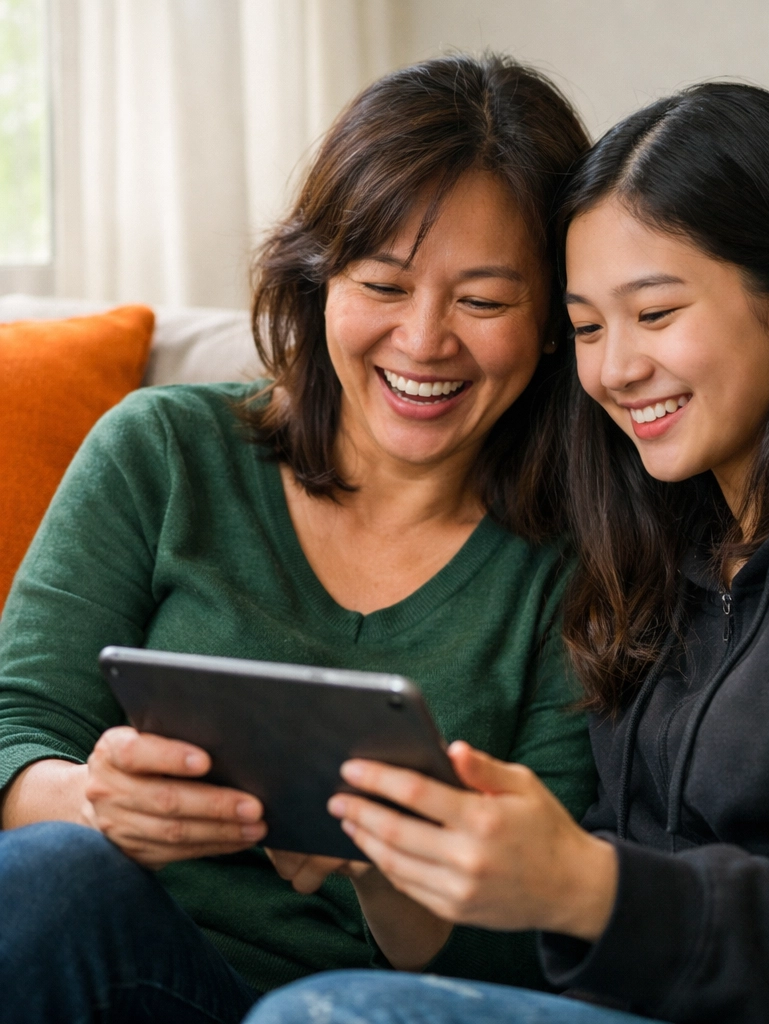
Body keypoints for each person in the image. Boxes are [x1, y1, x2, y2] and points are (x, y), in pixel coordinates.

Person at [243, 83, 769, 1024]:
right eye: (586, 327)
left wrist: (584, 884)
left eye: (655, 314)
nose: (614, 370)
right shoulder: (662, 535)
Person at [0, 54, 597, 1023]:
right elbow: (15, 723)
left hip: (361, 1004)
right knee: (58, 872)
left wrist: (384, 863)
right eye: (383, 284)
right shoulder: (163, 453)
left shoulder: (582, 563)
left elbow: (531, 948)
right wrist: (93, 800)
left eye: (483, 301)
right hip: (111, 956)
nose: (423, 341)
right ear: (319, 279)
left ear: (558, 324)